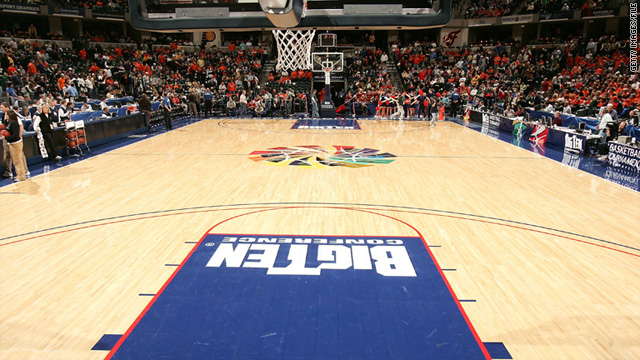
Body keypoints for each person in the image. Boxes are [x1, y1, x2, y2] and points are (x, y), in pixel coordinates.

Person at [0, 111, 27, 182]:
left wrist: (5, 138)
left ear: (10, 115)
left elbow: (16, 136)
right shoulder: (10, 122)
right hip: (12, 143)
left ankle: (21, 176)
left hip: (16, 143)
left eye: (6, 114)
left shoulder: (14, 123)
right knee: (16, 161)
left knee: (18, 160)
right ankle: (19, 174)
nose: (5, 116)